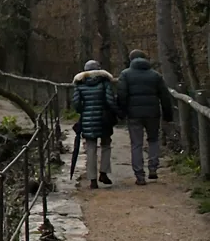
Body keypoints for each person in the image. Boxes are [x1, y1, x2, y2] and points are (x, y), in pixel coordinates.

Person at [117, 49, 174, 185]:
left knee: (136, 143)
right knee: (153, 140)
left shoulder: (125, 75)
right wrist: (168, 114)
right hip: (153, 113)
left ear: (131, 60)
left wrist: (121, 112)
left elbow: (122, 95)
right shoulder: (155, 75)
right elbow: (165, 96)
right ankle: (153, 167)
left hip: (133, 114)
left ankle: (139, 174)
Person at [72, 59, 117, 189]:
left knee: (91, 148)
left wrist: (83, 111)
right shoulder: (104, 82)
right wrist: (114, 112)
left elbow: (76, 104)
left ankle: (92, 179)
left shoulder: (80, 84)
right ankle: (103, 172)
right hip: (104, 119)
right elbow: (110, 100)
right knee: (106, 145)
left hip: (87, 119)